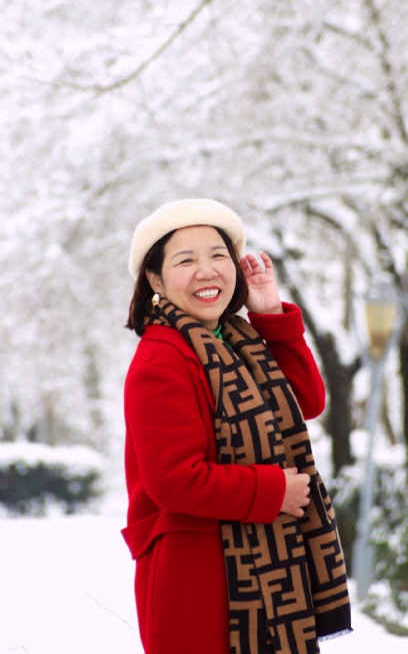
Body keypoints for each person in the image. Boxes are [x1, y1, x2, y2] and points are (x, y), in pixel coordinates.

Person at [122, 198, 351, 654]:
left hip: (263, 566)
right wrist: (274, 491)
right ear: (155, 280)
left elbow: (308, 401)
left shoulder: (239, 340)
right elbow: (174, 480)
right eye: (186, 261)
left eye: (218, 255)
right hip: (198, 582)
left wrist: (270, 314)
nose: (207, 271)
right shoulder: (161, 360)